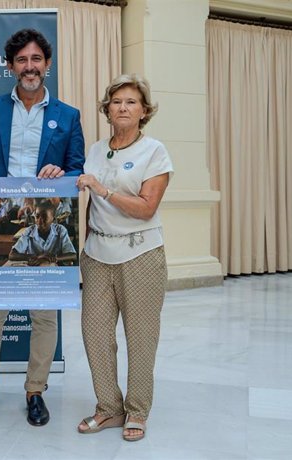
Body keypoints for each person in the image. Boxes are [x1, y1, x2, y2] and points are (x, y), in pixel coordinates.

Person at [0, 28, 85, 426]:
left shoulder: (68, 116)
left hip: (47, 227)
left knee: (45, 318)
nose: (29, 67)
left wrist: (65, 172)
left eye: (36, 60)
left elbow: (78, 168)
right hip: (0, 227)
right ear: (10, 66)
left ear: (46, 65)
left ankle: (36, 391)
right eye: (21, 60)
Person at [75, 74, 173, 442]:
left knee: (141, 336)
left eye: (131, 102)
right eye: (117, 101)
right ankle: (109, 408)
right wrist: (82, 247)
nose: (123, 107)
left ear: (144, 110)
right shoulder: (97, 149)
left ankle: (137, 410)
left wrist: (103, 188)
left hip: (141, 254)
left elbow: (147, 208)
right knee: (95, 334)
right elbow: (90, 208)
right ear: (107, 109)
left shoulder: (155, 151)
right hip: (97, 255)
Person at [9, 200, 76, 266]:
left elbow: (73, 255)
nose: (39, 221)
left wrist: (53, 258)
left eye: (44, 217)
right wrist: (37, 256)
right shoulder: (29, 231)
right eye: (37, 216)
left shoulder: (61, 230)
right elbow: (12, 255)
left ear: (53, 219)